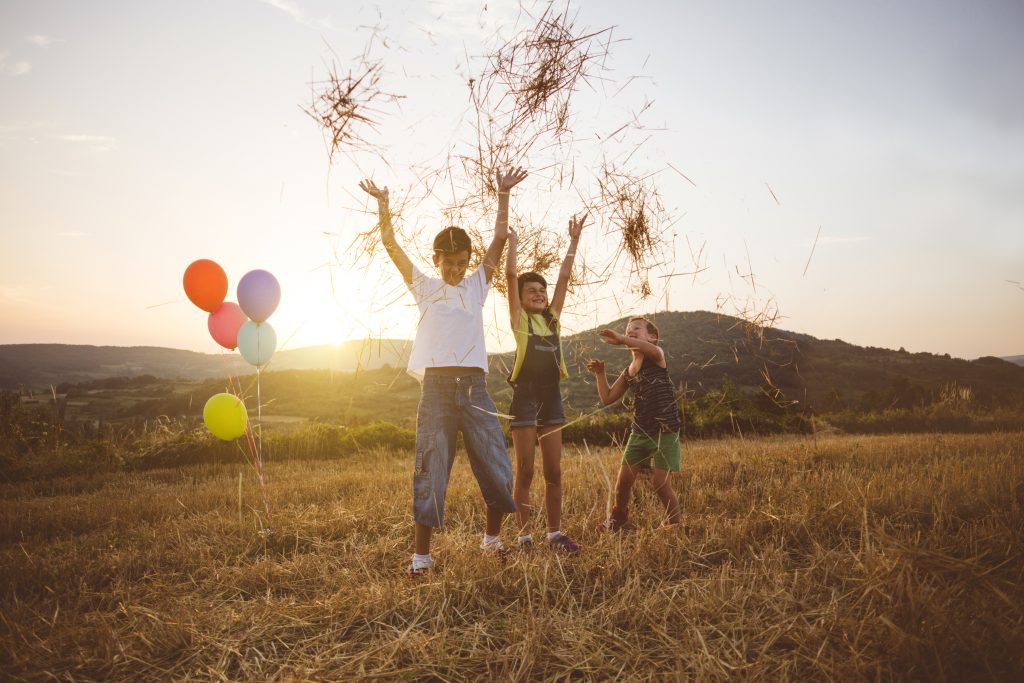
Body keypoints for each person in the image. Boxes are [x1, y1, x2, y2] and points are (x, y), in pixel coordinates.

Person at [358, 167, 529, 577]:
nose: (455, 269)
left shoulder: (477, 285)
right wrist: (384, 206)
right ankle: (421, 558)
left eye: (461, 262)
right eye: (448, 263)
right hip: (435, 388)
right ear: (435, 260)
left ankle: (491, 541)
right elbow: (390, 245)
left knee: (495, 464)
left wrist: (503, 195)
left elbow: (499, 240)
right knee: (430, 467)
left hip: (474, 387)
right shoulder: (424, 286)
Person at [504, 213, 588, 554]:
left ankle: (555, 535)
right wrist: (513, 244)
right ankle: (524, 538)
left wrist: (573, 242)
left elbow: (565, 277)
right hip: (525, 399)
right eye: (532, 291)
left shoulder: (552, 319)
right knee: (525, 472)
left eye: (542, 290)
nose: (539, 294)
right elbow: (510, 275)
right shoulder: (519, 321)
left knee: (554, 471)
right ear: (521, 298)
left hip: (551, 400)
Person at [585, 317, 682, 531]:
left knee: (660, 484)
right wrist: (600, 374)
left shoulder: (657, 356)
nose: (630, 332)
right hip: (640, 431)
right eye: (628, 330)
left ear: (653, 338)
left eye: (636, 329)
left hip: (665, 430)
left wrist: (621, 338)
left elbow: (654, 352)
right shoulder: (629, 371)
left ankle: (676, 526)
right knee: (623, 483)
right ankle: (619, 519)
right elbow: (608, 398)